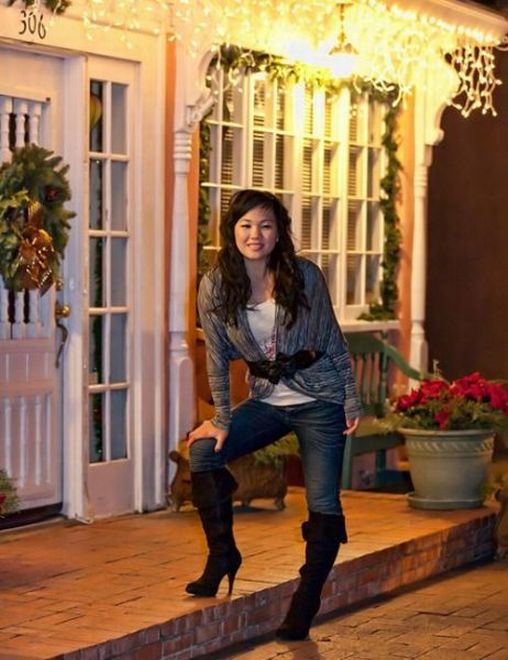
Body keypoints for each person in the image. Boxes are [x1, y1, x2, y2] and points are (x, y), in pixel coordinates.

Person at [187, 189, 362, 641]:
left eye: (266, 225)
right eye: (246, 225)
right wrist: (222, 418)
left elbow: (332, 338)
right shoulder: (215, 286)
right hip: (266, 399)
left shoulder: (304, 275)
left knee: (323, 503)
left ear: (279, 231)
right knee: (203, 452)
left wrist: (350, 397)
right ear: (232, 230)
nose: (255, 234)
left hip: (319, 399)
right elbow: (217, 357)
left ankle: (305, 602)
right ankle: (223, 555)